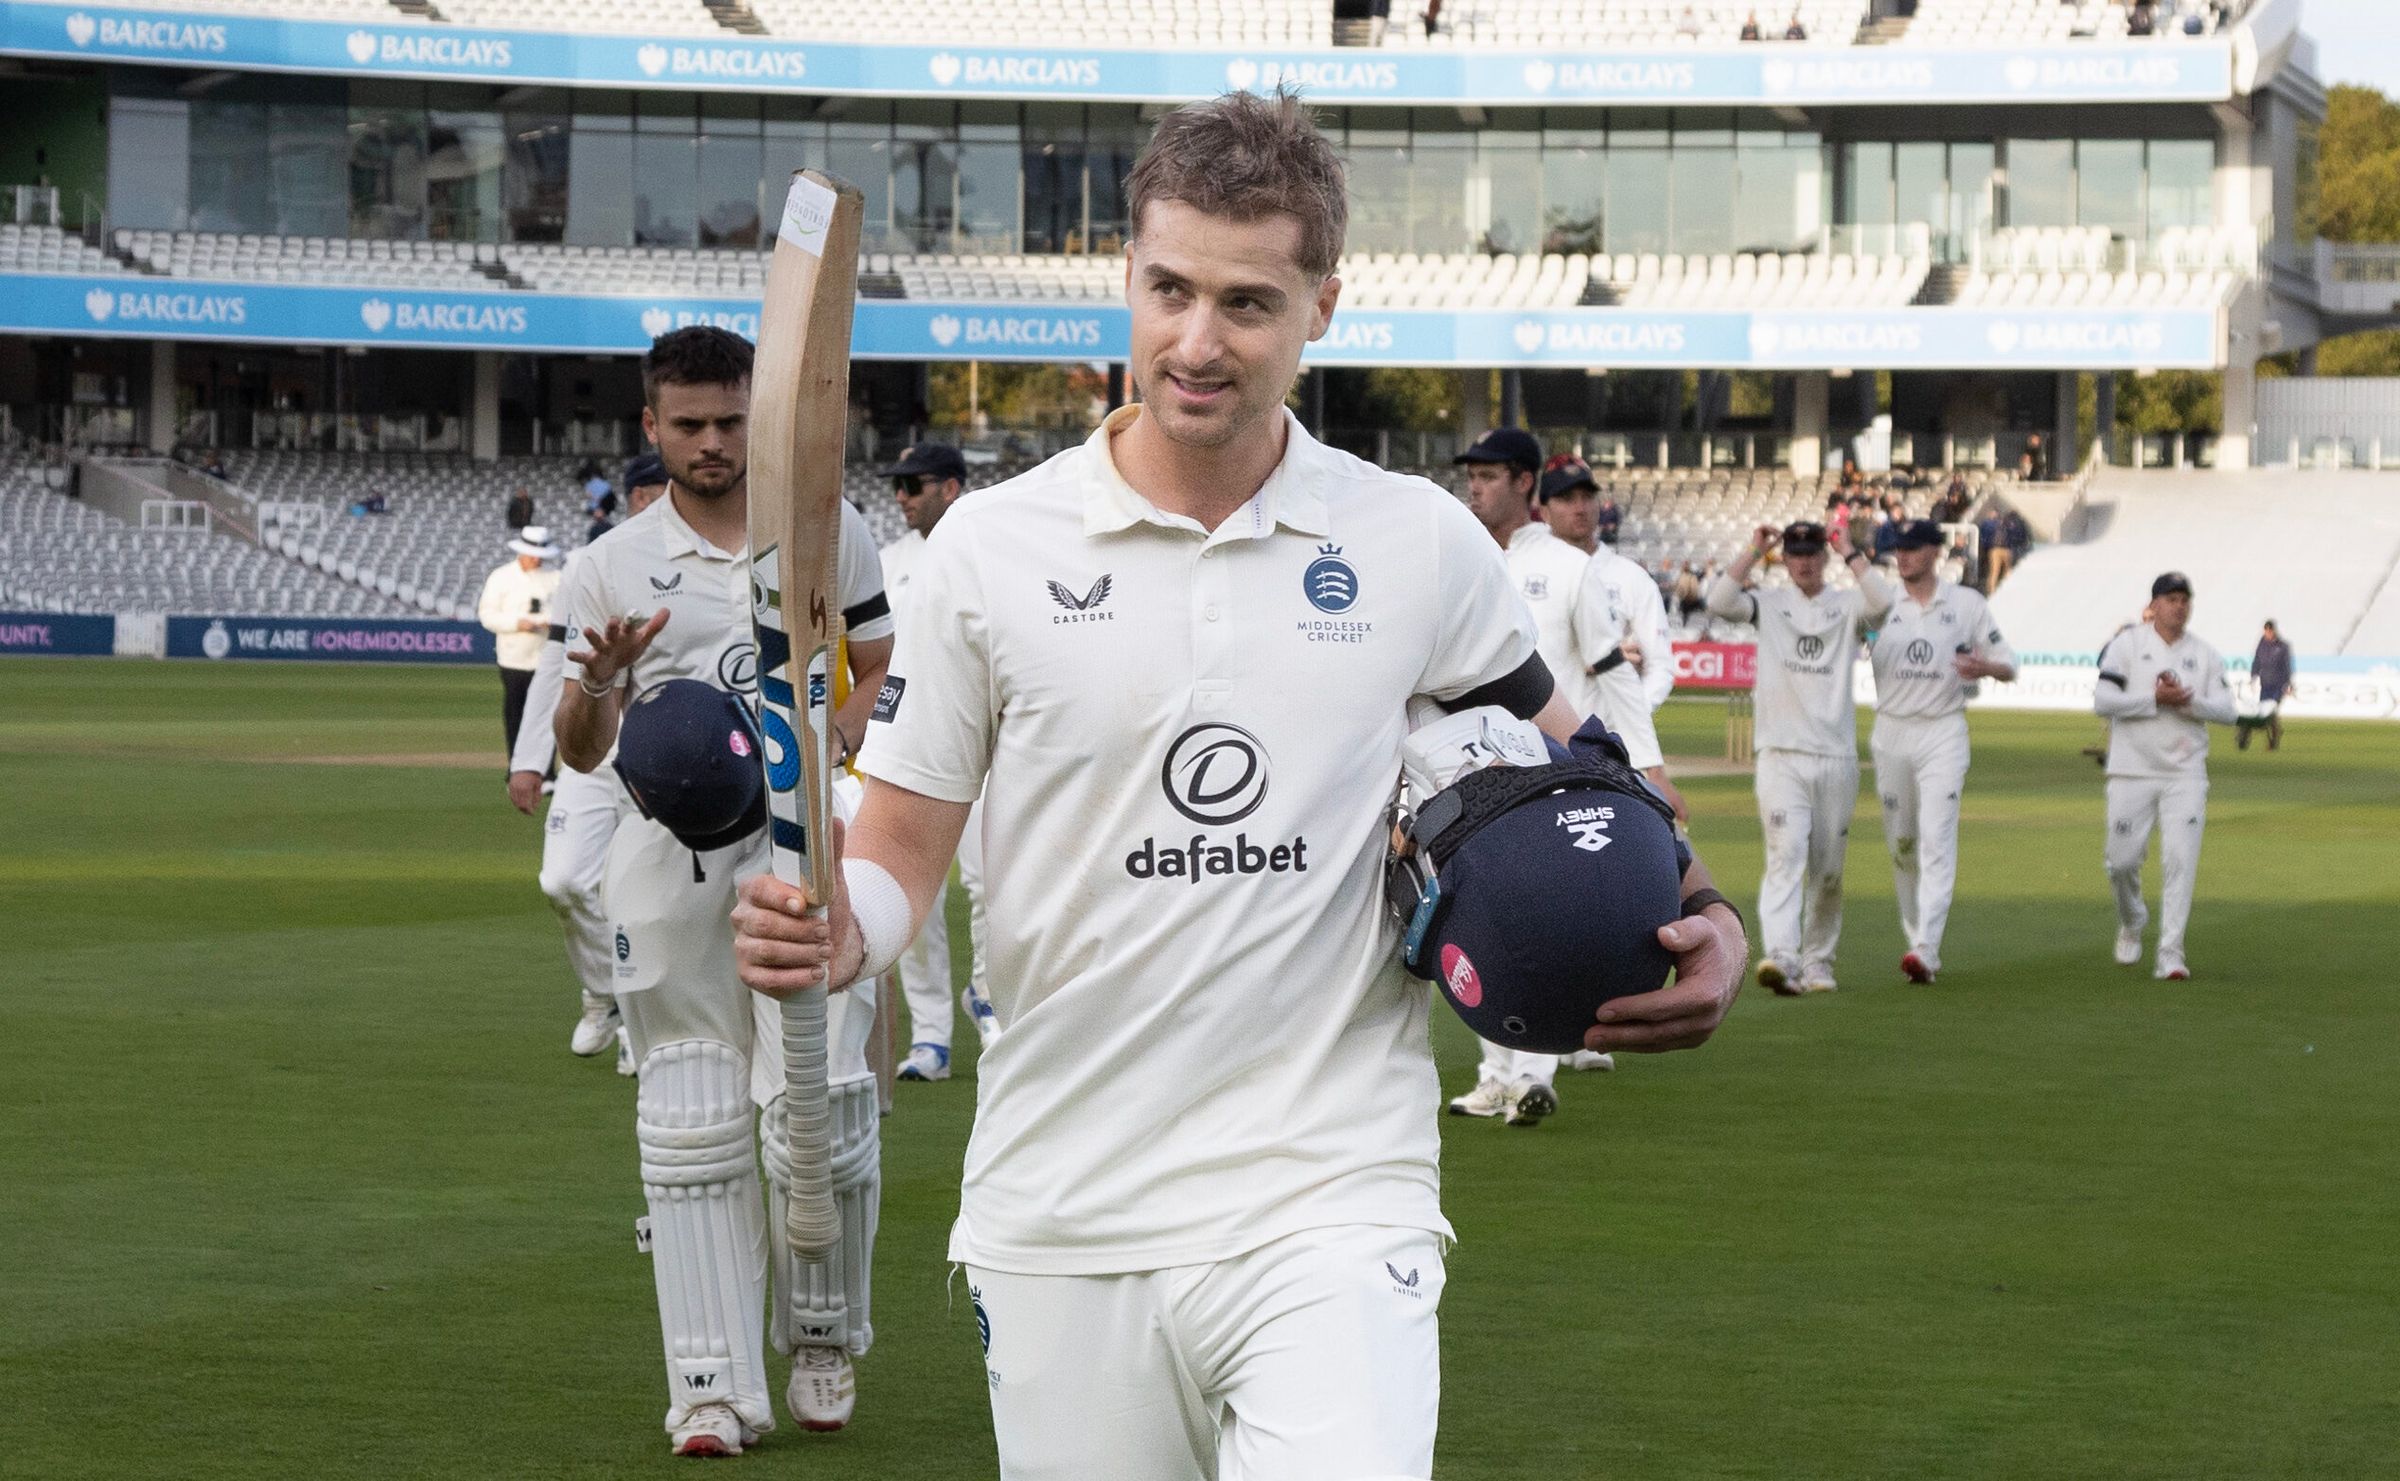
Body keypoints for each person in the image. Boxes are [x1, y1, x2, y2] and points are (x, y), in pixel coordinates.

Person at [725, 90, 1745, 1481]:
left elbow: (1587, 768)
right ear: (1127, 276)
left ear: (1324, 304)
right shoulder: (989, 552)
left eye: (1249, 303)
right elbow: (898, 842)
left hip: (1331, 1193)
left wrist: (1702, 909)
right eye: (1170, 290)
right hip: (1068, 1210)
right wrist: (848, 929)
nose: (1197, 344)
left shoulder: (1417, 542)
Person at [552, 327, 897, 1455]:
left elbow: (880, 664)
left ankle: (827, 1334)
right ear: (651, 428)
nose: (711, 442)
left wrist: (825, 749)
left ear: (764, 420)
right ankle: (709, 1383)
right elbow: (582, 742)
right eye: (688, 424)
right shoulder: (608, 564)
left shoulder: (827, 528)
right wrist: (599, 685)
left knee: (827, 1103)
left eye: (732, 421)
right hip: (667, 860)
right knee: (691, 1115)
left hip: (798, 848)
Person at [509, 453, 671, 1069]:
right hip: (588, 753)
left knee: (646, 895)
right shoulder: (589, 563)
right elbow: (555, 664)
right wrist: (529, 760)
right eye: (645, 494)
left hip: (659, 758)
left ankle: (636, 1018)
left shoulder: (694, 563)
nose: (655, 505)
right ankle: (603, 992)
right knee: (564, 880)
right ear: (629, 499)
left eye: (664, 492)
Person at [1446, 428, 1587, 1123]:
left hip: (1550, 769)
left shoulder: (1567, 566)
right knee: (1480, 917)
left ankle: (1537, 1068)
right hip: (1473, 768)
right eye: (1471, 474)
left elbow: (1605, 674)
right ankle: (1496, 1071)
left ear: (1527, 482)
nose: (1477, 485)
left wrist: (1636, 761)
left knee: (1541, 920)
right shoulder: (1461, 556)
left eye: (1491, 474)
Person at [1708, 519, 1894, 994]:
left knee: (1828, 870)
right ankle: (1782, 956)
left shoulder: (1847, 605)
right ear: (1784, 558)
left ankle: (1818, 961)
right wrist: (1754, 549)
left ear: (1824, 557)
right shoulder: (1768, 605)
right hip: (1779, 755)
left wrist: (1850, 549)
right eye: (1795, 553)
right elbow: (1719, 601)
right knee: (1785, 854)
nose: (1805, 561)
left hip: (1834, 755)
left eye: (1813, 552)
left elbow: (1883, 602)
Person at [875, 440, 999, 1080]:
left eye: (914, 484)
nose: (902, 496)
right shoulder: (887, 562)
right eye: (897, 485)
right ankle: (930, 1039)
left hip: (987, 747)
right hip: (911, 746)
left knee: (990, 884)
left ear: (950, 487)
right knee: (906, 895)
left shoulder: (992, 548)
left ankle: (987, 996)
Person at [1865, 520, 2017, 985]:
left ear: (1935, 551)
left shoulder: (1966, 604)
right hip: (1891, 731)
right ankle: (1918, 938)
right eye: (1898, 550)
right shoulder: (1880, 604)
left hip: (1943, 733)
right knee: (1903, 844)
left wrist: (1985, 666)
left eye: (1912, 548)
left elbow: (2009, 664)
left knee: (1936, 838)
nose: (1903, 557)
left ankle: (1927, 947)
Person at [2093, 572, 2235, 980]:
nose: (2180, 606)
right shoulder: (2128, 645)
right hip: (2131, 770)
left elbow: (2228, 710)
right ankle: (2133, 918)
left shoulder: (2204, 654)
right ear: (2153, 604)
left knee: (2180, 860)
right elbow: (2103, 700)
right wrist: (2153, 699)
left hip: (2184, 774)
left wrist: (2189, 702)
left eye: (2185, 599)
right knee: (2119, 863)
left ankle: (2171, 953)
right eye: (2171, 599)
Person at [478, 524, 561, 761]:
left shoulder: (555, 578)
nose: (537, 560)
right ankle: (516, 765)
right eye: (533, 555)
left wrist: (546, 621)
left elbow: (565, 613)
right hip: (513, 659)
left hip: (546, 658)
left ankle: (545, 770)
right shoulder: (501, 577)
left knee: (546, 716)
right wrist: (517, 623)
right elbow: (487, 615)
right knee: (515, 714)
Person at [2240, 619, 2293, 751]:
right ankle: (2275, 734)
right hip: (2265, 684)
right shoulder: (2262, 644)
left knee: (2270, 712)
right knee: (2264, 714)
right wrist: (2253, 676)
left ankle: (2273, 739)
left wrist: (2288, 684)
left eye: (2270, 630)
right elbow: (2256, 661)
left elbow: (2287, 667)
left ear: (2274, 630)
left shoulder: (2282, 646)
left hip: (2278, 685)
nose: (2268, 633)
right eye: (2266, 630)